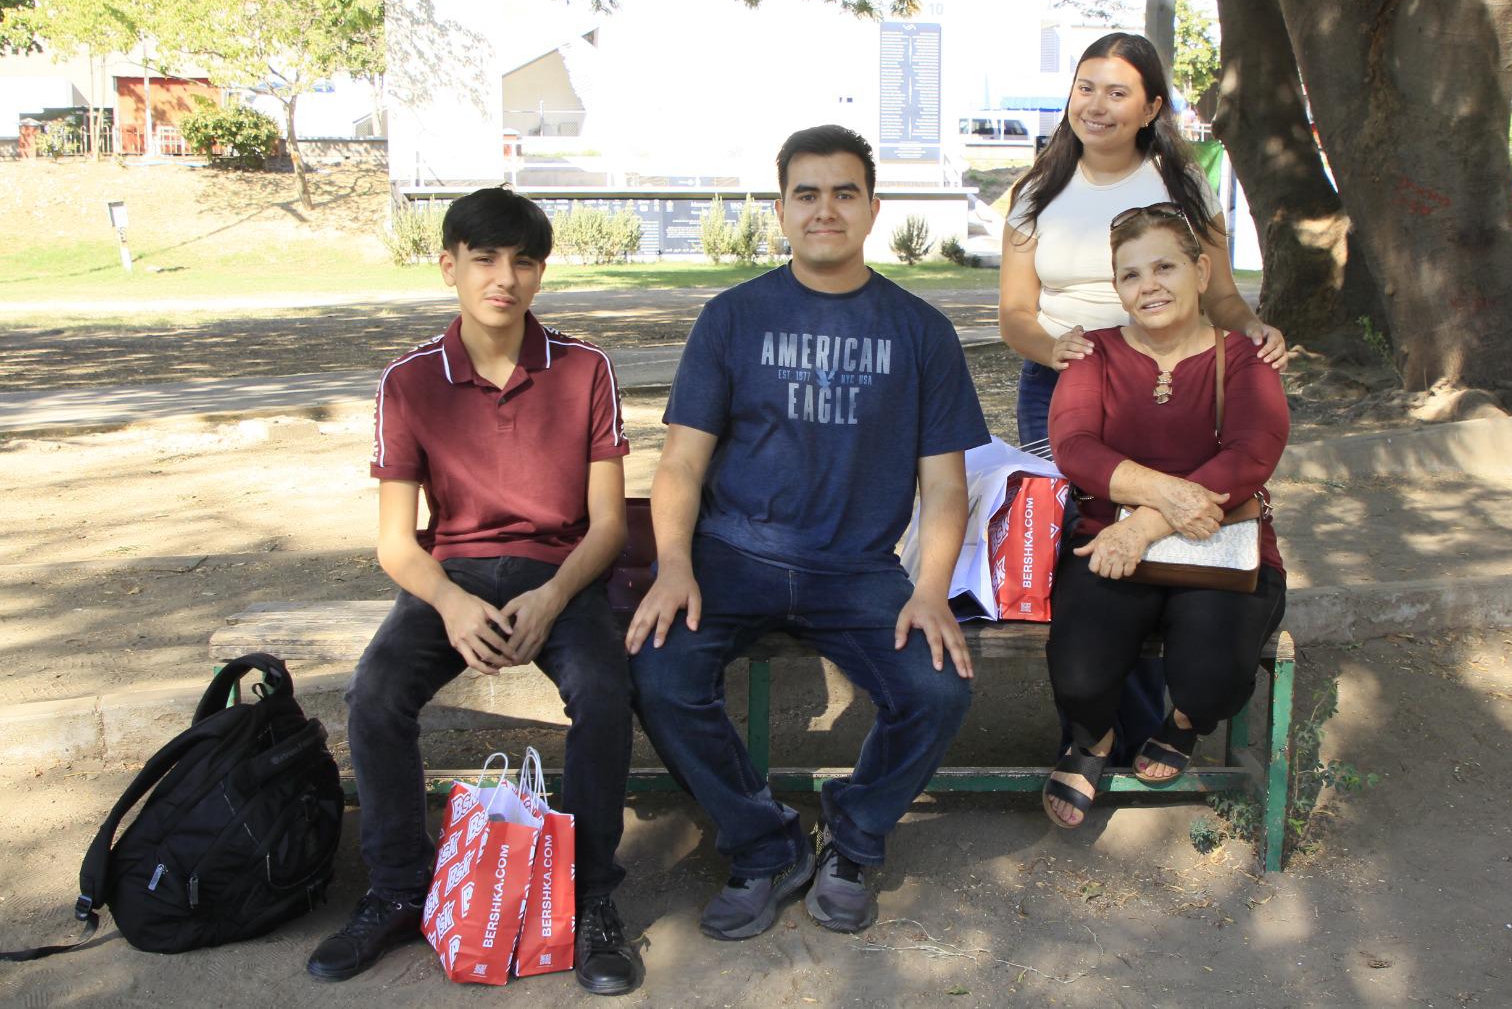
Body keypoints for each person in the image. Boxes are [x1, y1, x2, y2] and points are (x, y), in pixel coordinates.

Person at [627, 125, 990, 940]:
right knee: (658, 671)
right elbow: (681, 464)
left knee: (937, 687)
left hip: (858, 570)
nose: (825, 209)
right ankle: (765, 845)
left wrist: (929, 590)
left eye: (844, 193)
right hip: (732, 555)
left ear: (872, 208)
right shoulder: (732, 317)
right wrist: (674, 564)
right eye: (807, 194)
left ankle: (855, 839)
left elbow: (943, 485)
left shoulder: (920, 331)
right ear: (781, 209)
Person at [306, 188, 642, 996]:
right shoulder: (410, 381)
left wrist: (555, 597)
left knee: (603, 690)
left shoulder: (586, 369)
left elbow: (606, 527)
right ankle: (396, 888)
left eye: (524, 261)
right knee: (376, 693)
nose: (505, 278)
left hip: (560, 573)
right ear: (449, 264)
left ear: (541, 272)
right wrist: (453, 605)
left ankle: (591, 895)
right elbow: (396, 543)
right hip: (450, 575)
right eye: (485, 259)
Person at [998, 30, 1288, 764]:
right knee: (1090, 540)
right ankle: (1104, 735)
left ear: (1151, 106)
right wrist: (1056, 350)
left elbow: (1219, 296)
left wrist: (1255, 333)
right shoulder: (1035, 190)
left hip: (1179, 370)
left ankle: (1172, 710)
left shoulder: (1182, 190)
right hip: (1068, 378)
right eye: (1085, 86)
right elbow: (1015, 314)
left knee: (1172, 535)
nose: (1096, 104)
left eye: (1117, 90)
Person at [1041, 202, 1288, 829]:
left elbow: (1252, 455)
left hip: (1221, 547)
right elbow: (1075, 449)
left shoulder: (1247, 359)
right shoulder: (1090, 355)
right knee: (1079, 672)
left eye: (1164, 266)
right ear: (1118, 289)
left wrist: (1146, 522)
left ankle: (1183, 724)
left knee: (1211, 679)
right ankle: (1092, 739)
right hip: (1108, 543)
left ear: (1201, 271)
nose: (1148, 285)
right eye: (1130, 275)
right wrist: (1167, 497)